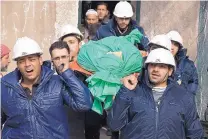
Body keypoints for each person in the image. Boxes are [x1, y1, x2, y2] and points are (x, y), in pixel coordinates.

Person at [1, 37, 92, 139]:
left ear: (40, 60)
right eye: (22, 61)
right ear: (17, 64)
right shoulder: (5, 88)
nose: (27, 64)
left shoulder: (57, 83)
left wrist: (67, 74)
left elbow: (84, 104)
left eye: (32, 59)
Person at [107, 48, 204, 139]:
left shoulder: (183, 96)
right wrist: (125, 91)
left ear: (170, 71)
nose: (156, 69)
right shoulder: (131, 92)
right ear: (147, 67)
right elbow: (114, 125)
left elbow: (195, 133)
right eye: (152, 65)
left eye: (162, 66)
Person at [58, 25, 106, 139]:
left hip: (91, 120)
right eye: (65, 43)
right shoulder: (57, 68)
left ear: (79, 44)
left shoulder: (91, 65)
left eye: (71, 42)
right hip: (69, 123)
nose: (68, 46)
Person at [167, 30, 198, 95]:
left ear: (179, 48)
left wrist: (187, 96)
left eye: (175, 45)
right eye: (170, 43)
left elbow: (194, 83)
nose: (172, 47)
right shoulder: (158, 62)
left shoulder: (188, 64)